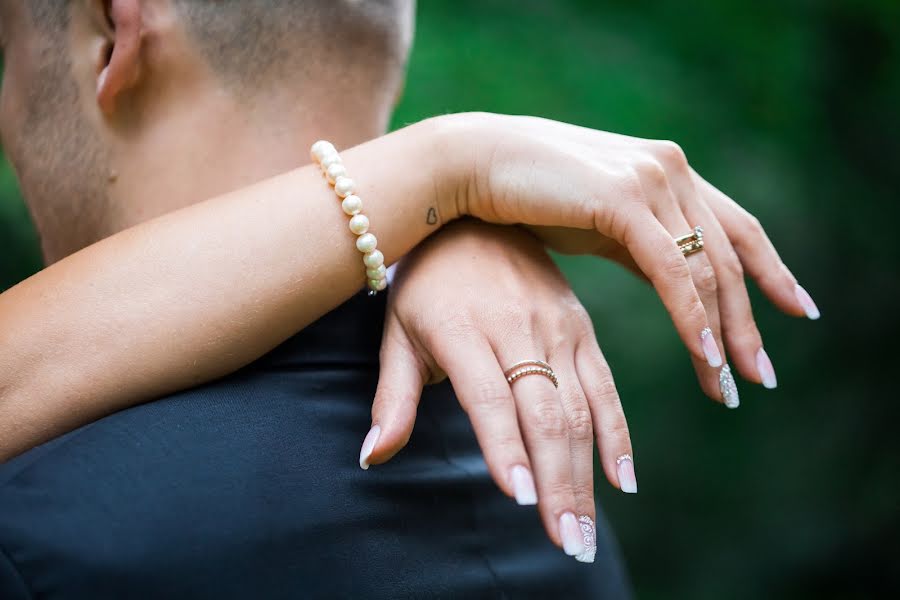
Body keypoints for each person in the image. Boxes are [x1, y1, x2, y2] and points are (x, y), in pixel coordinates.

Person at [0, 1, 819, 598]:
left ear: (114, 29)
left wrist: (447, 188)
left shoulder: (42, 532)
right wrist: (445, 182)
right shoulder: (553, 492)